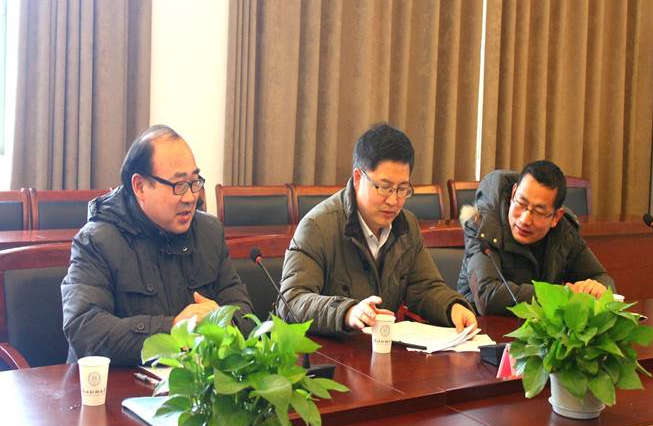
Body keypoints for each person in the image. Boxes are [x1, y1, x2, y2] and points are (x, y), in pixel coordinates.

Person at [62, 125, 255, 366]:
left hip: (195, 381)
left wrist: (223, 320)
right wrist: (172, 329)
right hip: (118, 383)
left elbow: (245, 315)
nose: (190, 197)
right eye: (178, 185)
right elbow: (85, 329)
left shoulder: (209, 232)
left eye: (195, 182)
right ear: (140, 186)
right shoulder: (96, 241)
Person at [278, 123, 477, 335]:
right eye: (384, 187)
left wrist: (452, 307)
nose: (393, 200)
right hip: (329, 350)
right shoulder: (317, 227)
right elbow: (291, 300)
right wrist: (346, 312)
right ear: (358, 178)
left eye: (402, 189)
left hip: (380, 347)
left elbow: (424, 288)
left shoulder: (406, 226)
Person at [457, 160, 615, 315]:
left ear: (556, 217)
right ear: (513, 193)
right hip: (482, 325)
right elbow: (487, 295)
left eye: (539, 212)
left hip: (539, 328)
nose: (525, 219)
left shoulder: (564, 232)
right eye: (521, 203)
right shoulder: (483, 225)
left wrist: (598, 289)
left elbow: (601, 278)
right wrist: (561, 295)